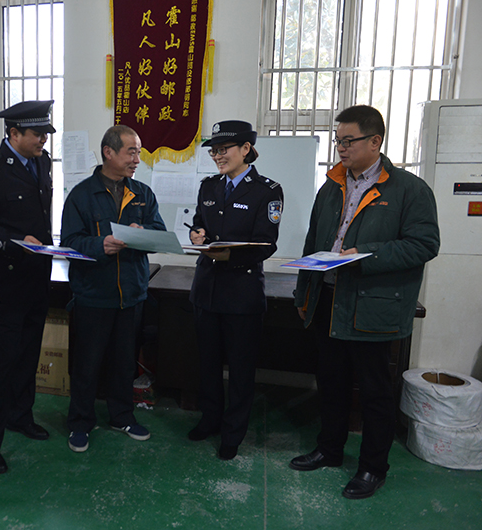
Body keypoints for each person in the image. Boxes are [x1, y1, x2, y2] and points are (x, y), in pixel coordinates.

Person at [290, 105, 440, 499]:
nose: (341, 148)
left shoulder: (409, 190)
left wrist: (365, 254)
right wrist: (304, 292)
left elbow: (424, 245)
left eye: (348, 141)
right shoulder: (331, 186)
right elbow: (313, 243)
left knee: (374, 392)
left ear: (375, 141)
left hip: (372, 305)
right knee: (331, 383)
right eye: (337, 141)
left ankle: (373, 468)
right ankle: (329, 449)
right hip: (328, 299)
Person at [60, 125, 166, 453]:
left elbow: (159, 233)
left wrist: (141, 231)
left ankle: (122, 416)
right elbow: (70, 242)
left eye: (139, 152)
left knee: (124, 363)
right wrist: (99, 245)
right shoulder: (81, 195)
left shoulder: (143, 193)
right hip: (94, 294)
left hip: (131, 295)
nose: (137, 159)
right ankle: (80, 422)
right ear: (109, 152)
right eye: (131, 152)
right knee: (87, 364)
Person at [0, 100, 55, 474]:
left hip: (38, 275)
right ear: (14, 133)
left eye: (46, 134)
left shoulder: (42, 162)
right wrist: (17, 243)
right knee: (2, 361)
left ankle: (20, 415)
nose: (43, 141)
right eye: (37, 134)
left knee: (29, 352)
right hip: (7, 279)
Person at [187, 120, 284, 460]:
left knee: (241, 370)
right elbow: (199, 222)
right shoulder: (209, 186)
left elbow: (266, 244)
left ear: (245, 149)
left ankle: (233, 433)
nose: (217, 156)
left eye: (223, 150)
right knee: (207, 364)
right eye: (213, 151)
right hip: (207, 290)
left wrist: (230, 256)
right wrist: (197, 234)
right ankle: (210, 419)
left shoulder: (267, 191)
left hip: (241, 292)